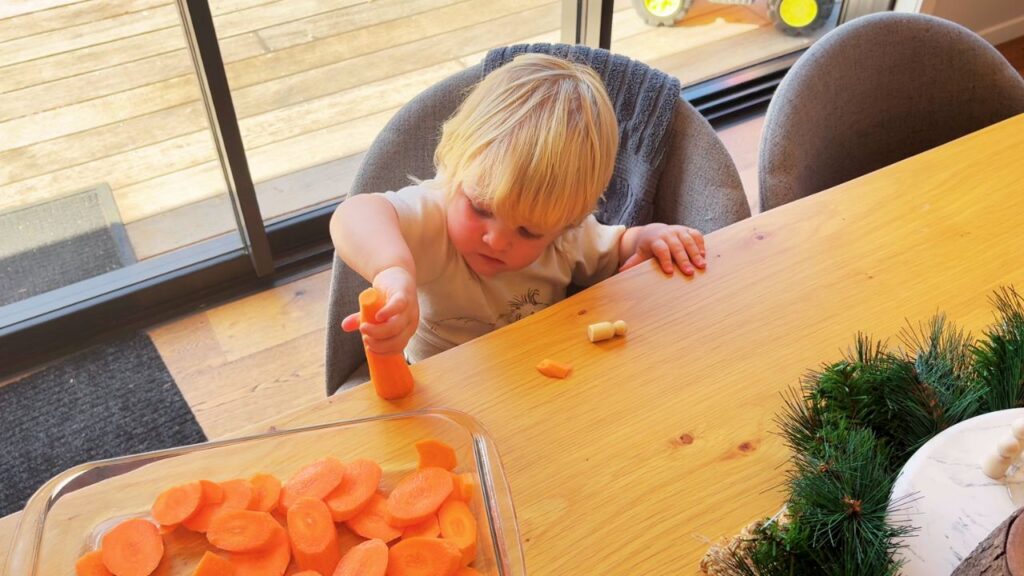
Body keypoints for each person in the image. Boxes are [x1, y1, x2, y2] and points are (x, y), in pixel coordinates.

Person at [330, 53, 706, 362]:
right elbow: (353, 215)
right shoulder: (432, 214)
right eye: (480, 208)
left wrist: (649, 237)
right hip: (439, 391)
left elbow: (617, 248)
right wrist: (393, 271)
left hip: (535, 380)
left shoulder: (564, 236)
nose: (495, 239)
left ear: (563, 225)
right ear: (456, 169)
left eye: (528, 232)